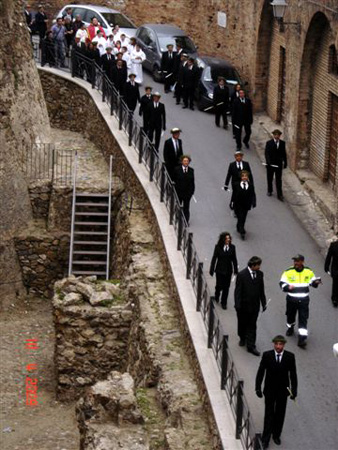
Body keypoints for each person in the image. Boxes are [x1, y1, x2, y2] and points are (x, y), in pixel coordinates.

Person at [255, 335, 298, 450]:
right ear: (274, 344)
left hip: (283, 391)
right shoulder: (267, 355)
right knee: (269, 414)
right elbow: (261, 372)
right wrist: (258, 387)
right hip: (269, 390)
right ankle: (265, 439)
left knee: (280, 413)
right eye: (276, 344)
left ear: (284, 345)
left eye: (281, 344)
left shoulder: (290, 357)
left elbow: (293, 375)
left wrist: (294, 390)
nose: (278, 346)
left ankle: (276, 435)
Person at [280, 254, 321, 348]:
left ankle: (302, 339)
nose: (295, 263)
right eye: (294, 261)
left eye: (297, 261)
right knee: (290, 316)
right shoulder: (288, 272)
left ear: (302, 262)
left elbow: (312, 283)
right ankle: (290, 327)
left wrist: (316, 283)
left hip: (304, 300)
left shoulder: (308, 271)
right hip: (291, 299)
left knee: (303, 318)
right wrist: (287, 287)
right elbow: (282, 283)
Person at [234, 256, 267, 355]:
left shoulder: (260, 275)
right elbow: (238, 292)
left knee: (252, 326)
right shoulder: (242, 275)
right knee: (242, 324)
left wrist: (263, 303)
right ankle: (242, 337)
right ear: (252, 266)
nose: (259, 267)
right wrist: (237, 305)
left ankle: (251, 346)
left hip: (255, 306)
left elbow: (261, 290)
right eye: (258, 265)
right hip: (243, 307)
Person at [209, 232, 238, 309]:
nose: (228, 240)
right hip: (219, 270)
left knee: (226, 287)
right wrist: (211, 269)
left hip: (228, 270)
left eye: (229, 238)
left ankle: (224, 302)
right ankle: (217, 295)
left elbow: (234, 259)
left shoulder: (232, 247)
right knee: (219, 285)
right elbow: (214, 258)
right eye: (226, 238)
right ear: (223, 239)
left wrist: (235, 270)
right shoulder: (218, 247)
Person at [231, 170, 256, 240]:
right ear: (241, 177)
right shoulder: (236, 185)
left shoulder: (250, 186)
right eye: (243, 176)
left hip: (246, 204)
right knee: (240, 216)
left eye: (246, 176)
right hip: (238, 204)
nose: (244, 177)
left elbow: (253, 194)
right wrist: (232, 202)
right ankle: (242, 231)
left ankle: (239, 226)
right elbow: (234, 194)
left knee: (243, 217)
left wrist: (253, 202)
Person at [265, 129, 287, 201]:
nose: (276, 136)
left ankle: (279, 194)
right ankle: (270, 190)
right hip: (270, 164)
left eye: (278, 135)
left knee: (278, 180)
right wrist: (268, 162)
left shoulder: (282, 143)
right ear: (273, 135)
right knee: (270, 178)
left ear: (280, 136)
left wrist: (285, 162)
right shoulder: (269, 143)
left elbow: (284, 154)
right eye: (275, 135)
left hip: (278, 164)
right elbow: (266, 154)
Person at [173, 155, 195, 225]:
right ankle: (177, 218)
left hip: (187, 194)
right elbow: (174, 180)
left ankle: (186, 221)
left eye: (187, 161)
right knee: (178, 206)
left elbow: (192, 182)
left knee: (186, 208)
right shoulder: (177, 169)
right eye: (184, 161)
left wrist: (191, 192)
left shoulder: (191, 170)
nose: (186, 162)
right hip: (179, 192)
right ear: (182, 161)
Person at [324, 238, 338, 307]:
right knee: (335, 283)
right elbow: (329, 256)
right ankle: (334, 299)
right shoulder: (333, 245)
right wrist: (326, 267)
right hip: (335, 268)